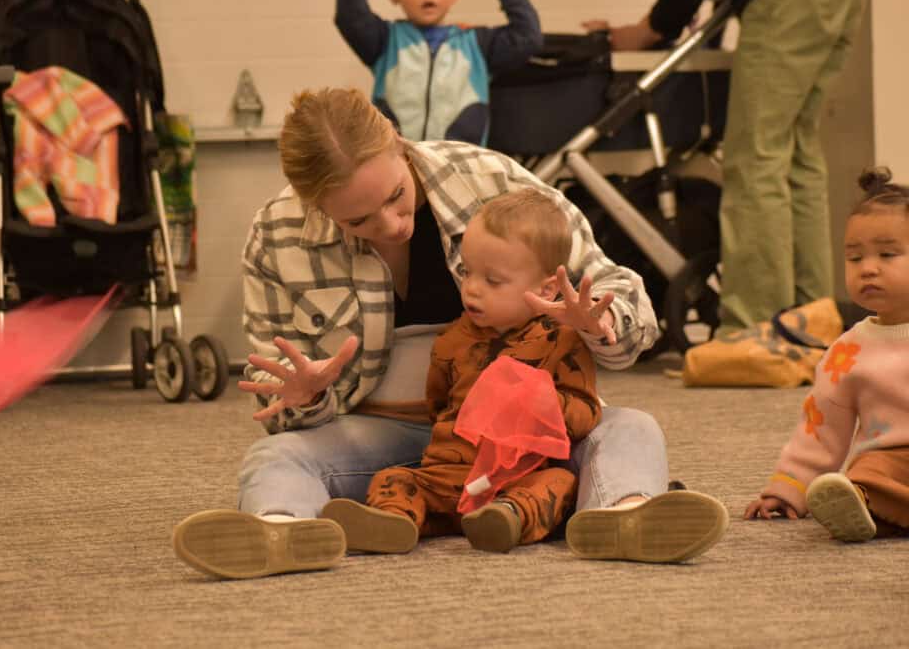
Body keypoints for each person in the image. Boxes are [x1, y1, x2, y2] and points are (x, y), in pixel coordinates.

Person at [171, 87, 728, 581]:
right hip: (382, 433)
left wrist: (598, 321)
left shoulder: (490, 179)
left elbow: (624, 300)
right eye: (359, 221)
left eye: (394, 196)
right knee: (276, 458)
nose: (393, 225)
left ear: (396, 140)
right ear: (314, 204)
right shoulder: (276, 236)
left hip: (523, 434)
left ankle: (623, 516)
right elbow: (277, 393)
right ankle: (280, 530)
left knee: (631, 427)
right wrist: (305, 397)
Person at [583, 0, 866, 334]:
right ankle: (812, 321)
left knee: (754, 159)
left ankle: (756, 327)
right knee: (797, 155)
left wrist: (643, 31)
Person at [321, 190, 600, 555]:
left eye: (493, 281)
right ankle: (393, 522)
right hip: (448, 474)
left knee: (560, 481)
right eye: (467, 272)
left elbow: (586, 412)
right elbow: (438, 405)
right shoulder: (453, 340)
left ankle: (507, 518)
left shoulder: (561, 340)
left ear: (545, 288)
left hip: (515, 477)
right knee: (395, 478)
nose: (471, 289)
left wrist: (549, 403)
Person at [744, 168, 909, 541]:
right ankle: (865, 509)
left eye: (887, 254)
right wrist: (788, 488)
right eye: (854, 258)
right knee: (861, 478)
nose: (868, 268)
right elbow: (820, 429)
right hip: (888, 463)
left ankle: (883, 513)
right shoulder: (847, 352)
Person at [334, 0, 541, 146]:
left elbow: (528, 38)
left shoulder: (477, 44)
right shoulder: (385, 40)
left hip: (461, 170)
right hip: (398, 167)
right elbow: (349, 15)